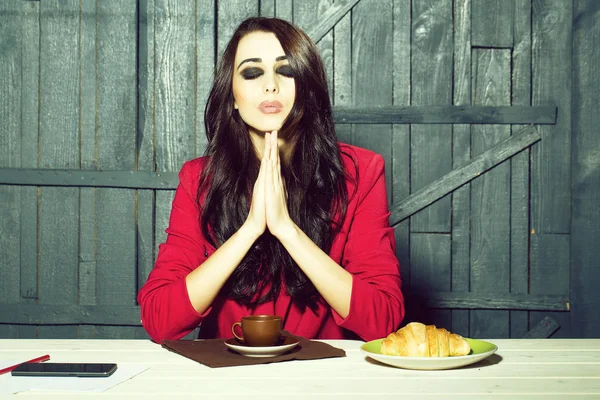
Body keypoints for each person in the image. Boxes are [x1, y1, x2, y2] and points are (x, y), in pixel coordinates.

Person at [138, 16, 404, 343]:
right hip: (227, 381)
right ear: (232, 96)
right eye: (252, 72)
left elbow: (384, 321)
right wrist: (250, 229)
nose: (271, 85)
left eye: (286, 70)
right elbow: (159, 320)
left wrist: (286, 229)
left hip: (325, 381)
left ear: (306, 88)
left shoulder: (360, 171)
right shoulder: (199, 179)